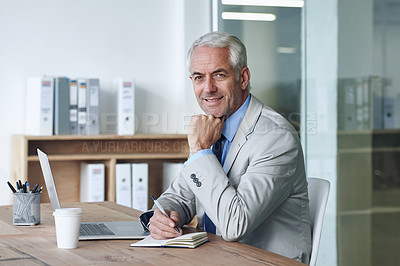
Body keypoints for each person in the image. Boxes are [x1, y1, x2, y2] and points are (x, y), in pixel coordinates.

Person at [140, 31, 311, 263]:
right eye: (199, 77)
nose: (208, 88)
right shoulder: (215, 126)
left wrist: (200, 151)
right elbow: (181, 196)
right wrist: (163, 216)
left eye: (219, 75)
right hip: (215, 257)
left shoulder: (276, 138)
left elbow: (234, 225)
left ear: (243, 78)